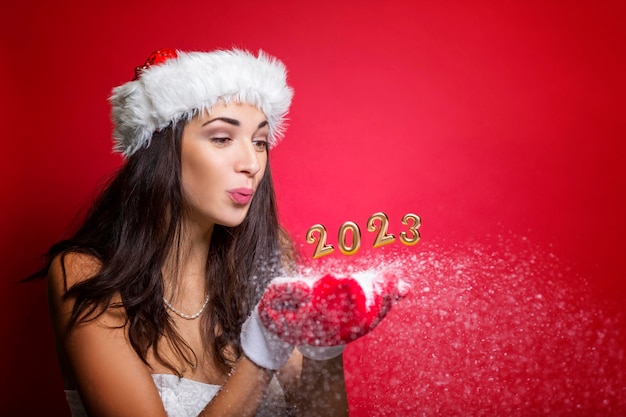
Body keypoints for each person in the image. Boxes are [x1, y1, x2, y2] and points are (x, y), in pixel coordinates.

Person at [28, 48, 405, 417]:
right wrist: (263, 348)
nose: (251, 164)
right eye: (222, 138)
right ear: (160, 151)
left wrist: (324, 346)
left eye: (260, 142)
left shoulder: (266, 257)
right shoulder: (83, 274)